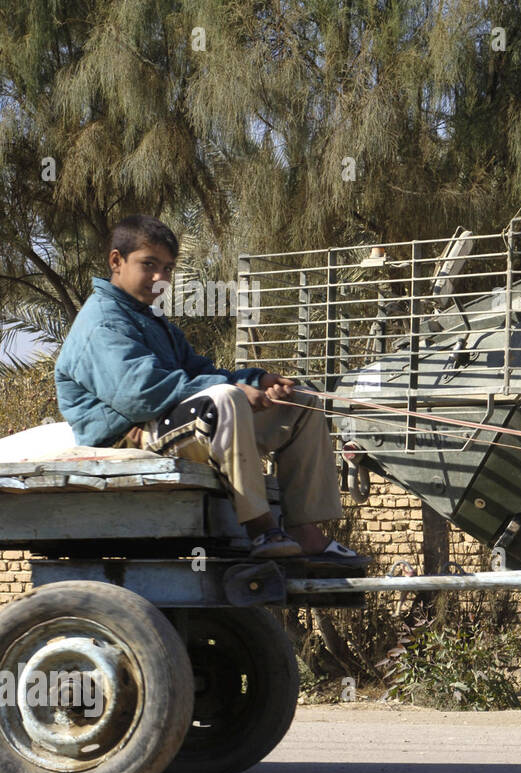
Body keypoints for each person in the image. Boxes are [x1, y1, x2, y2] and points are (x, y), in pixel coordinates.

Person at [55, 214, 366, 565]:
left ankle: (305, 533)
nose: (160, 278)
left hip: (172, 423)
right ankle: (261, 528)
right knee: (224, 398)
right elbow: (141, 394)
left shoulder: (150, 319)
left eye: (168, 269)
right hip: (130, 434)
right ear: (116, 261)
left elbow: (197, 370)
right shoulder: (102, 322)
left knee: (301, 403)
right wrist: (231, 388)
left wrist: (256, 379)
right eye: (149, 264)